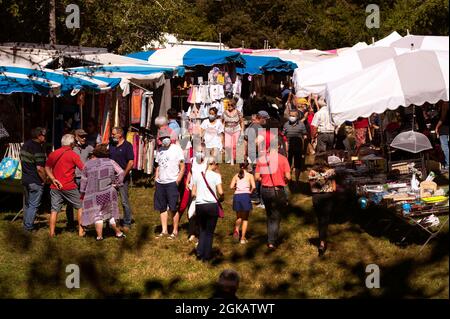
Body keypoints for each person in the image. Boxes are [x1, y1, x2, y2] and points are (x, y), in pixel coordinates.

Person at [79, 144, 126, 241]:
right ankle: (118, 233)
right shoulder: (111, 162)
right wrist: (116, 183)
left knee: (98, 213)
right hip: (108, 191)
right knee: (111, 213)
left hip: (93, 194)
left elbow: (83, 180)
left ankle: (99, 237)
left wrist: (82, 192)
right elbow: (121, 172)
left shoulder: (87, 164)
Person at [255, 134, 291, 250]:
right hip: (277, 190)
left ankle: (270, 237)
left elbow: (256, 177)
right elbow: (288, 177)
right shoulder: (283, 159)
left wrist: (264, 179)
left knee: (269, 214)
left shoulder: (262, 159)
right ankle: (272, 241)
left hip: (265, 190)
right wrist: (283, 180)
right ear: (279, 146)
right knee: (276, 216)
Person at [45, 134, 84, 237]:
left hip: (55, 186)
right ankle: (81, 231)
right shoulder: (73, 155)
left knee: (54, 210)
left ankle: (52, 233)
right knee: (80, 207)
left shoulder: (53, 153)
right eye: (74, 143)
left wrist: (53, 179)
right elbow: (83, 169)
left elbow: (47, 168)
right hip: (69, 186)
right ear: (71, 144)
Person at [154, 131, 186, 239]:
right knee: (162, 207)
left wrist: (178, 180)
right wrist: (156, 178)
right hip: (161, 183)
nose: (164, 139)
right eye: (162, 138)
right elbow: (158, 165)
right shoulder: (159, 150)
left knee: (173, 207)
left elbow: (182, 166)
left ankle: (175, 230)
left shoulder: (177, 149)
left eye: (166, 137)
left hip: (172, 182)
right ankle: (164, 230)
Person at [191, 157, 224, 262]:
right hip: (211, 205)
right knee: (210, 231)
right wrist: (221, 198)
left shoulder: (197, 175)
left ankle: (200, 252)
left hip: (200, 204)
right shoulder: (216, 176)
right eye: (216, 164)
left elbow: (193, 193)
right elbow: (221, 192)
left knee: (202, 229)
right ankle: (207, 255)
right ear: (213, 164)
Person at [308, 154, 337, 257]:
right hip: (327, 197)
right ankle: (322, 242)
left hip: (316, 197)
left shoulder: (311, 172)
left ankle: (322, 241)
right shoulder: (331, 171)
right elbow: (334, 188)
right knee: (326, 219)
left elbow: (311, 187)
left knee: (320, 219)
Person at [65, 129, 94, 230]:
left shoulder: (89, 147)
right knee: (70, 202)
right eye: (81, 136)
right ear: (75, 137)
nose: (84, 138)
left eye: (85, 136)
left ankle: (84, 224)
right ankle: (70, 223)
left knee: (85, 201)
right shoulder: (71, 148)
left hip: (84, 179)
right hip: (72, 178)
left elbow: (97, 156)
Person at [20, 127, 47, 232]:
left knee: (27, 204)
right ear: (38, 136)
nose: (44, 137)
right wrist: (44, 179)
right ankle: (28, 227)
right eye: (43, 135)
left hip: (25, 179)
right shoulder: (37, 148)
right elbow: (40, 168)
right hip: (35, 180)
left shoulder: (25, 145)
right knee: (33, 205)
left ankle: (25, 224)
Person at [109, 127, 134, 231]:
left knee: (124, 201)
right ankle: (112, 222)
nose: (112, 135)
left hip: (123, 177)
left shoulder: (128, 146)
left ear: (120, 135)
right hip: (110, 177)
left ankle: (127, 222)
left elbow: (131, 162)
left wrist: (124, 173)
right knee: (110, 201)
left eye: (113, 134)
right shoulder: (111, 145)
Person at [244, 110, 270, 207]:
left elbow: (245, 141)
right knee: (259, 177)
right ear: (261, 118)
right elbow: (257, 143)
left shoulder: (250, 126)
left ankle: (254, 196)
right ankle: (257, 197)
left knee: (252, 175)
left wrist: (245, 154)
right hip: (257, 155)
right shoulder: (259, 128)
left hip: (250, 155)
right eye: (266, 119)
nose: (266, 121)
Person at [185, 143, 208, 242]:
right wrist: (187, 181)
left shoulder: (207, 162)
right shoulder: (193, 160)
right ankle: (192, 233)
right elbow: (190, 171)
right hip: (192, 189)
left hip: (202, 190)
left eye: (201, 151)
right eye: (198, 151)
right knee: (190, 212)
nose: (199, 153)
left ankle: (200, 234)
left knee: (200, 213)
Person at [230, 161, 255, 244]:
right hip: (245, 196)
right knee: (245, 219)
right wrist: (250, 192)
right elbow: (254, 186)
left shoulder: (236, 176)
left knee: (239, 217)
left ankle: (236, 230)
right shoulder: (250, 175)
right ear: (247, 166)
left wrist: (236, 188)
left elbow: (231, 186)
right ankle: (242, 238)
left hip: (237, 196)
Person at [283, 110, 307, 182]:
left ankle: (296, 180)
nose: (291, 117)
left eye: (293, 116)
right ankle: (288, 179)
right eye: (290, 115)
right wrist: (285, 146)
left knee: (297, 164)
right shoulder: (286, 124)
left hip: (298, 148)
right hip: (288, 148)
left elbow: (305, 136)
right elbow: (283, 136)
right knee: (288, 164)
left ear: (297, 117)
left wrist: (304, 149)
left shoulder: (301, 125)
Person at [222, 99, 244, 165]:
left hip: (236, 129)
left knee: (235, 145)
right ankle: (229, 158)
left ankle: (233, 159)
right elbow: (222, 121)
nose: (230, 106)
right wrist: (222, 128)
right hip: (227, 130)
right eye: (228, 105)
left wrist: (242, 130)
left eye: (231, 105)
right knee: (228, 145)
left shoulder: (238, 112)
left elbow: (241, 121)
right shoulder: (224, 112)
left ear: (234, 105)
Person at [435, 101, 449, 172]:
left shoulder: (445, 104)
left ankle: (448, 165)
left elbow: (442, 118)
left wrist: (437, 127)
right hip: (446, 129)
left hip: (444, 129)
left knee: (445, 147)